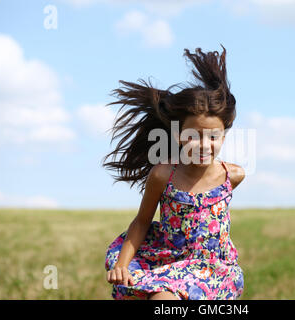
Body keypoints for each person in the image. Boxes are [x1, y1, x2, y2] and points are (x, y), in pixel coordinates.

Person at [102, 44, 245, 300]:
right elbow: (142, 221)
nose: (204, 145)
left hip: (213, 272)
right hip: (167, 262)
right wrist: (122, 265)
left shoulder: (232, 176)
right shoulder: (163, 175)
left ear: (224, 136)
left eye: (213, 136)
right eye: (194, 136)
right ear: (178, 135)